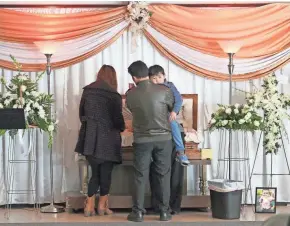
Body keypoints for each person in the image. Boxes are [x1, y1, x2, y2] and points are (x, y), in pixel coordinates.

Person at [126, 61, 174, 222]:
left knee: (140, 175)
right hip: (164, 139)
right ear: (147, 73)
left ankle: (138, 212)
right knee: (163, 175)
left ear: (134, 77)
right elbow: (170, 108)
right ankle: (164, 212)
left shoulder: (130, 94)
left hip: (142, 140)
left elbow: (132, 110)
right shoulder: (164, 90)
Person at [75, 65, 125, 217]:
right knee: (106, 173)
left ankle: (89, 206)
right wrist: (122, 127)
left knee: (95, 173)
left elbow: (81, 114)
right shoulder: (114, 95)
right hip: (109, 139)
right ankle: (102, 207)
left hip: (90, 137)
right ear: (113, 77)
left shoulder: (88, 91)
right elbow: (117, 120)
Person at [148, 65, 190, 166]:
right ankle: (149, 154)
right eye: (154, 78)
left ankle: (180, 153)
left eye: (159, 77)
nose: (157, 80)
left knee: (174, 125)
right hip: (152, 114)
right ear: (149, 79)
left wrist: (174, 112)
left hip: (167, 114)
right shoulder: (148, 88)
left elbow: (179, 100)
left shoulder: (170, 86)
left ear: (164, 76)